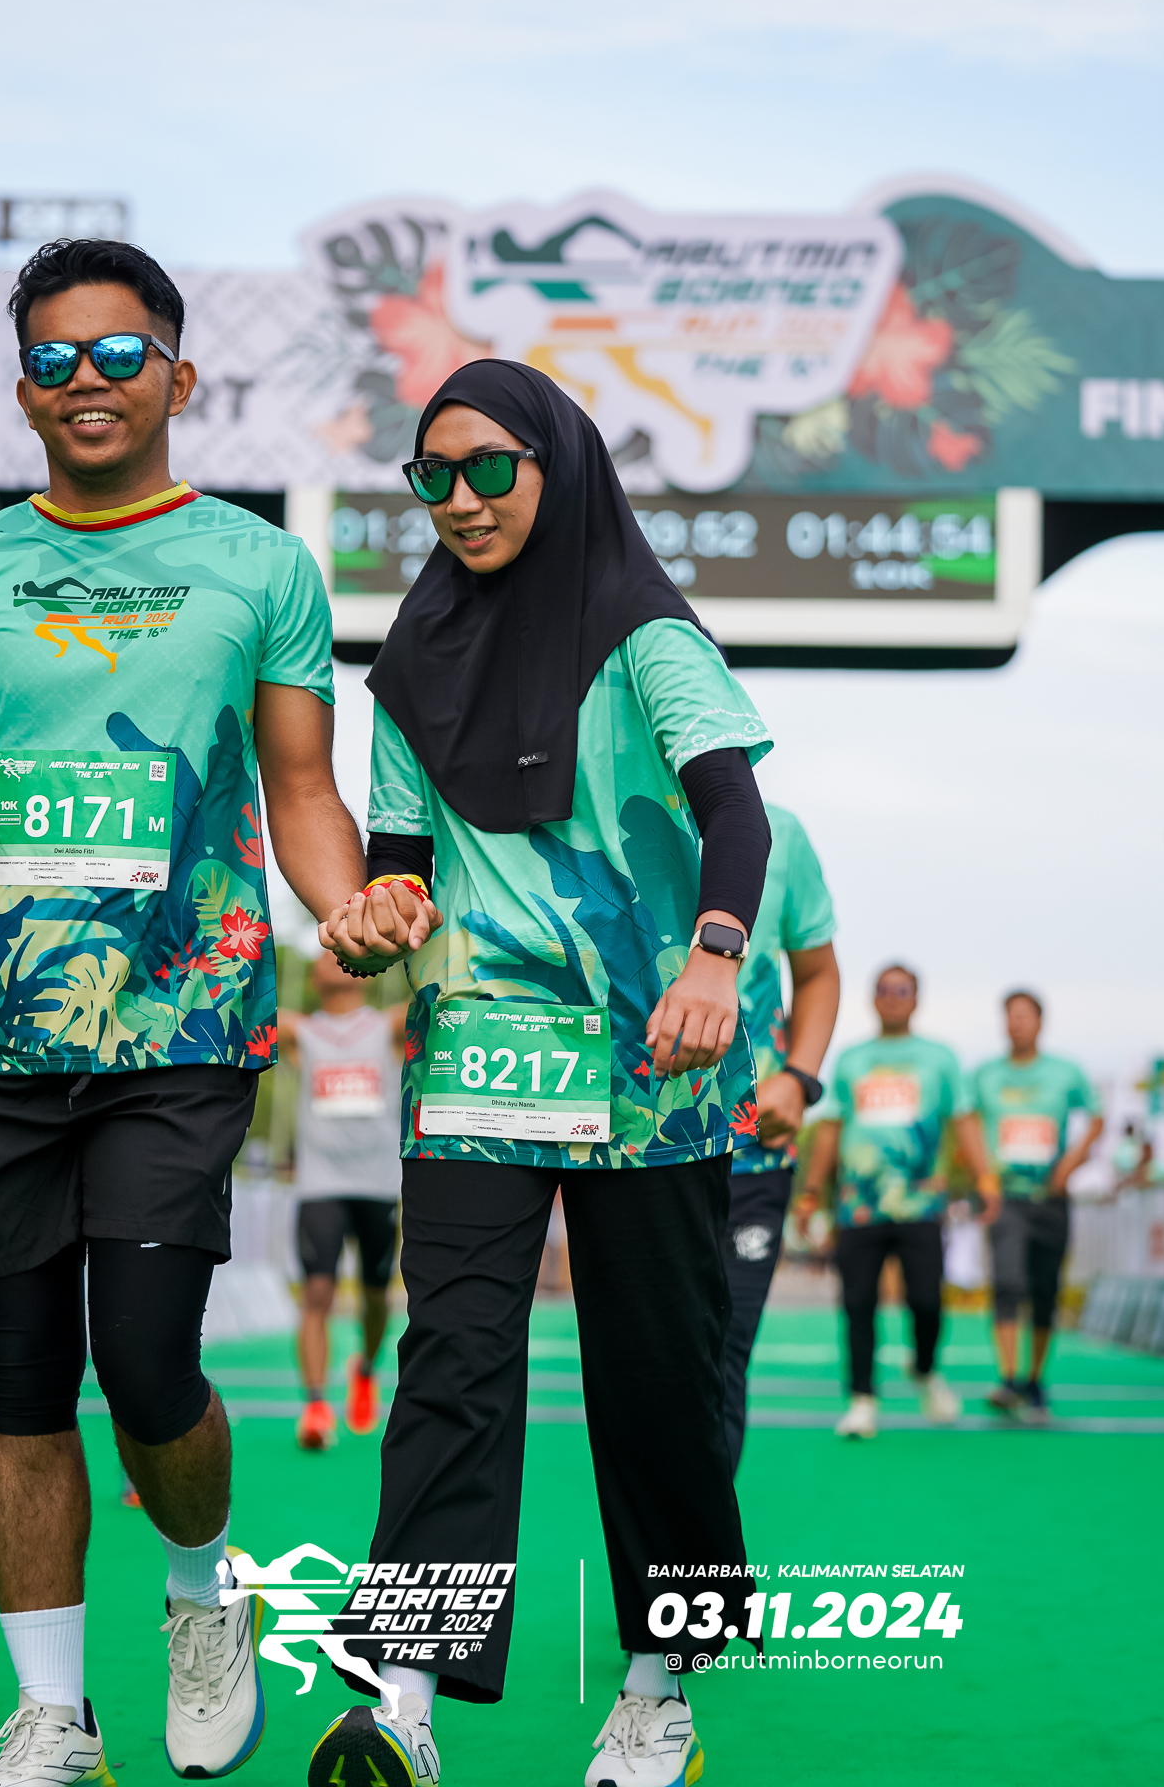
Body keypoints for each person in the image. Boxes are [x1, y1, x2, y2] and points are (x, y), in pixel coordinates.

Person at [307, 360, 773, 1787]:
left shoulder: (644, 633)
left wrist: (714, 956)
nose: (458, 499)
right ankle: (402, 1700)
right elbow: (401, 858)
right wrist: (381, 913)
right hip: (483, 1059)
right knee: (451, 1358)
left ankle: (657, 1687)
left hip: (655, 1065)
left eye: (488, 468)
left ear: (555, 467)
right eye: (431, 476)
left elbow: (734, 810)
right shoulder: (411, 660)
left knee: (656, 1379)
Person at [0, 240, 368, 1787]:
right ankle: (54, 1716)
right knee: (20, 1380)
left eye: (119, 355)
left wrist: (349, 906)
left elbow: (301, 789)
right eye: (54, 359)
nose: (87, 381)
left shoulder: (262, 569)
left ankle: (203, 1594)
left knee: (144, 1363)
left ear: (178, 378)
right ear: (22, 392)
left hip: (182, 1027)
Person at [799, 964, 996, 1440]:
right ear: (873, 997)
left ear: (916, 998)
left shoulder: (940, 1058)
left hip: (921, 1205)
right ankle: (862, 1399)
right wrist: (809, 1192)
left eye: (902, 989)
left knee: (927, 1302)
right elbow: (830, 1127)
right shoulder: (851, 1058)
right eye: (884, 989)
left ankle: (925, 1371)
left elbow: (964, 1119)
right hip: (859, 1207)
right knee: (858, 1304)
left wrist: (986, 1178)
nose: (892, 996)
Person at [721, 803, 838, 1473]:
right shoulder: (599, 801)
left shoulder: (779, 832)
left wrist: (799, 1078)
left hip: (755, 1152)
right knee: (651, 1362)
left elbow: (818, 971)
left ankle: (700, 1529)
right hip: (636, 1154)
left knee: (726, 1349)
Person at [276, 952, 404, 1449]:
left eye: (342, 954)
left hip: (378, 1184)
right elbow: (242, 1002)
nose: (332, 959)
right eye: (323, 957)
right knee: (317, 1293)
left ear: (367, 972)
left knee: (375, 1297)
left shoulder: (389, 1026)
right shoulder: (301, 1032)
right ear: (313, 977)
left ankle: (366, 1369)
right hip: (320, 1184)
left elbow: (438, 995)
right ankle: (314, 1407)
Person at [971, 989, 1103, 1424]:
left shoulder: (1066, 1072)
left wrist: (1070, 1164)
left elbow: (1097, 1117)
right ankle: (1009, 1379)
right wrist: (983, 1175)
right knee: (1007, 1282)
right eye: (1010, 1015)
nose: (1017, 1023)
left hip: (1051, 1198)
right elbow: (966, 1121)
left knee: (1046, 1291)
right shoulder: (985, 1075)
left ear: (1040, 1022)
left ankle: (1034, 1380)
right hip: (1005, 1196)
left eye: (1025, 1016)